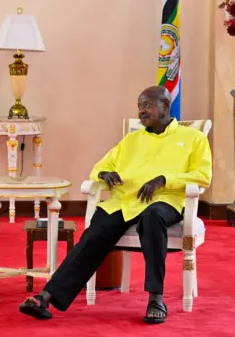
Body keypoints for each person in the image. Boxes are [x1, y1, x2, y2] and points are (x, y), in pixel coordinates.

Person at [19, 86, 212, 324]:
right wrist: (104, 174)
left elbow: (202, 175)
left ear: (165, 104)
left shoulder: (193, 138)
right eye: (139, 106)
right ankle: (46, 296)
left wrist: (164, 180)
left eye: (147, 105)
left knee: (153, 217)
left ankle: (156, 299)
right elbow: (101, 166)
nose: (141, 111)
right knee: (94, 233)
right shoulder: (131, 140)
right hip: (125, 201)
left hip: (165, 200)